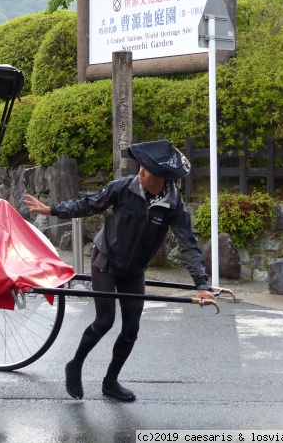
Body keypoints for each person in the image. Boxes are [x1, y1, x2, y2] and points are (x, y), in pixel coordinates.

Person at [24, 140, 214, 402]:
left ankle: (111, 381)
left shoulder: (173, 205)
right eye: (140, 166)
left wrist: (201, 286)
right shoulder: (124, 187)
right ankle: (75, 364)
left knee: (131, 328)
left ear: (161, 176)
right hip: (106, 261)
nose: (140, 172)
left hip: (134, 269)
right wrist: (53, 209)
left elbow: (189, 246)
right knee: (105, 321)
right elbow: (88, 204)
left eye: (146, 169)